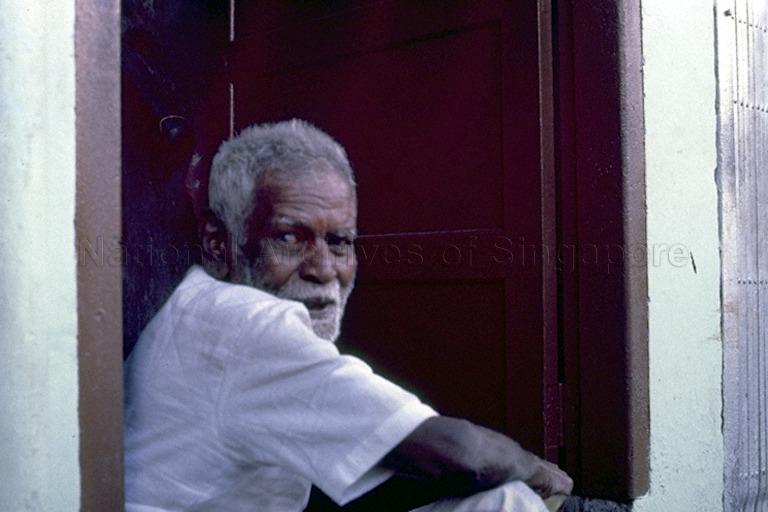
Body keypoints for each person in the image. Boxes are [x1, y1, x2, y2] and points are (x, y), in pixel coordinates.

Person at [124, 119, 573, 511]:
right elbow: (464, 455)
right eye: (288, 237)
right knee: (509, 503)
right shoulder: (245, 324)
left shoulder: (199, 310)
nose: (324, 270)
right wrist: (543, 475)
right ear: (219, 245)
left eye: (339, 242)